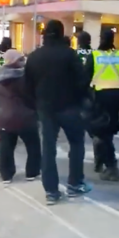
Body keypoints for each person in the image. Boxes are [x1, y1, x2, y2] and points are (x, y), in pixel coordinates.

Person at [25, 20, 90, 204]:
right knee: (76, 144)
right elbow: (83, 79)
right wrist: (78, 99)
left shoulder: (34, 56)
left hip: (46, 108)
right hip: (69, 107)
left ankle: (51, 191)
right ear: (62, 34)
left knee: (48, 149)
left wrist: (36, 104)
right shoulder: (69, 55)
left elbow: (27, 86)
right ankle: (75, 183)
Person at [84, 29, 119, 181]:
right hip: (117, 98)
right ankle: (103, 161)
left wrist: (86, 96)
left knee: (100, 133)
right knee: (108, 132)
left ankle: (111, 166)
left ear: (100, 39)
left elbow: (85, 78)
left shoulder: (94, 56)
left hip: (99, 97)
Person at [0, 49, 41, 183]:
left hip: (4, 117)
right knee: (33, 145)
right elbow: (31, 96)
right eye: (20, 59)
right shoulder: (23, 78)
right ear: (14, 62)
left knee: (6, 148)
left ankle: (6, 174)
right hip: (25, 117)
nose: (23, 62)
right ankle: (32, 172)